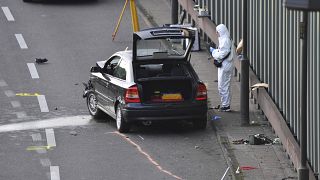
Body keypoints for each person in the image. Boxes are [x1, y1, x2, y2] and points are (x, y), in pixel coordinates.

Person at [209, 24, 235, 112]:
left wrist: (213, 52)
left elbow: (222, 54)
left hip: (225, 65)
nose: (217, 33)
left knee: (222, 86)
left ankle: (226, 105)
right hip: (226, 64)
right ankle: (225, 104)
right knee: (224, 85)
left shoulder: (225, 40)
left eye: (217, 32)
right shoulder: (226, 39)